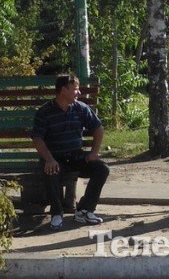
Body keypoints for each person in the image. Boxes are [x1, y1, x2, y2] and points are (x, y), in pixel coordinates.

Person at [32, 73, 109, 231]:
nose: (78, 93)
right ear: (63, 91)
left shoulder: (81, 108)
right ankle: (56, 213)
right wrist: (49, 159)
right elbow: (37, 138)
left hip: (76, 156)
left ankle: (84, 210)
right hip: (56, 158)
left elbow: (98, 129)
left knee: (102, 169)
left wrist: (94, 152)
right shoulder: (45, 111)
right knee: (50, 171)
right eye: (75, 89)